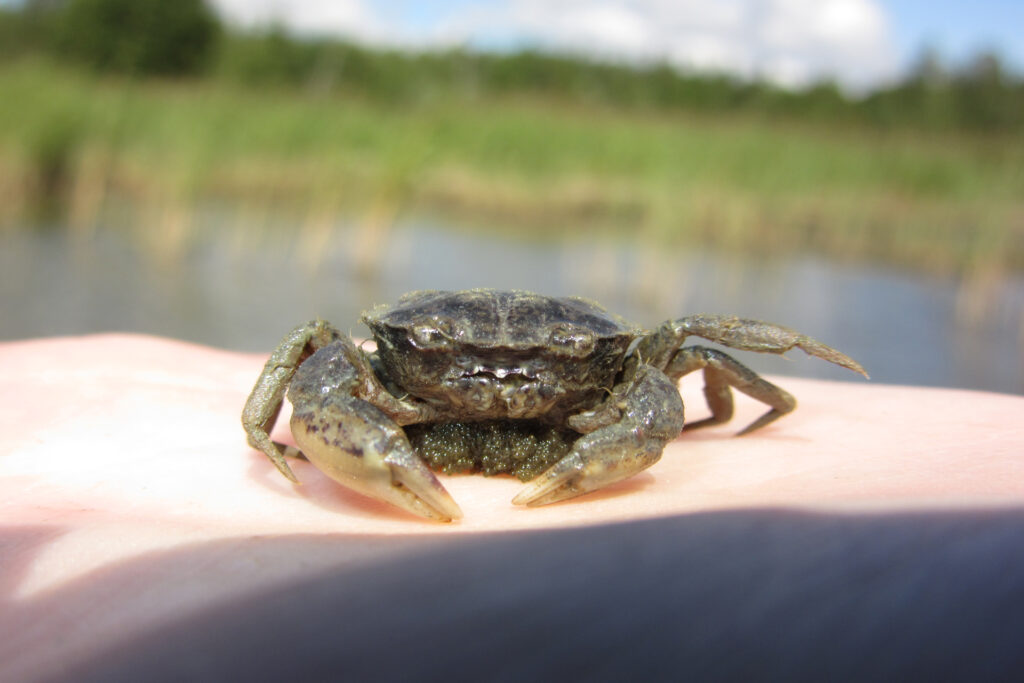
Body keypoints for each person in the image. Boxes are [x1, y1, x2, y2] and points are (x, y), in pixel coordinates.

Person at [3, 334, 1024, 681]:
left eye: (538, 367)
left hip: (593, 400)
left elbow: (676, 373)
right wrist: (267, 426)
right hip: (410, 405)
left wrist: (759, 404)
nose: (496, 380)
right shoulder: (361, 363)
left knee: (682, 343)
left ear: (596, 354)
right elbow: (308, 371)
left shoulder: (626, 368)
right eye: (454, 357)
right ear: (406, 344)